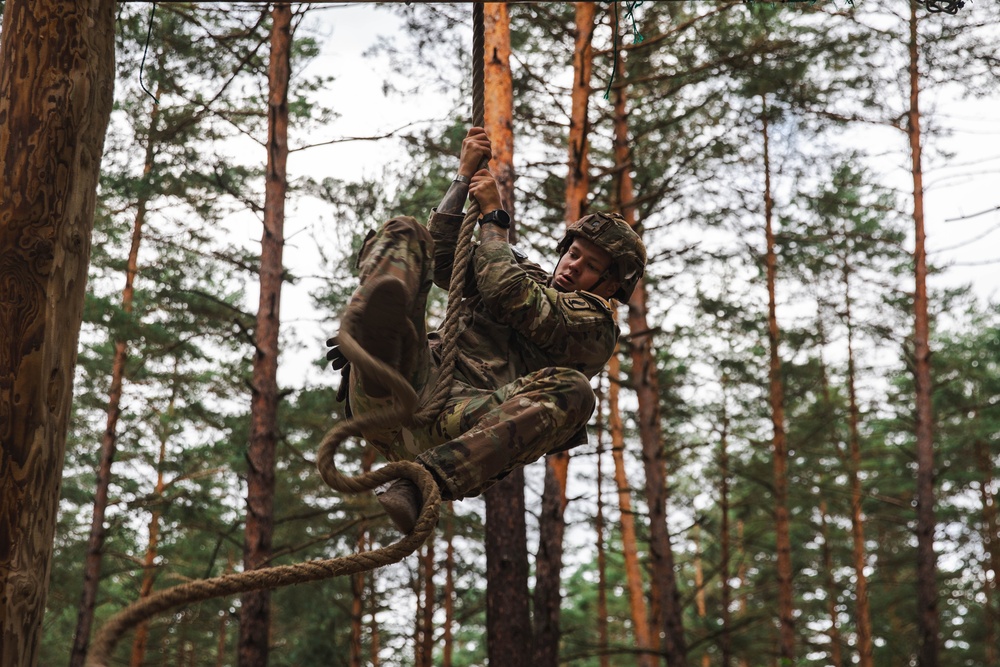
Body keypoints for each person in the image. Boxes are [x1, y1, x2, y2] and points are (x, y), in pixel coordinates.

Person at [328, 127, 646, 532]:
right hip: (403, 391)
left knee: (574, 392)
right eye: (573, 253)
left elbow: (507, 292)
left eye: (590, 266)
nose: (571, 266)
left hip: (459, 424)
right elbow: (444, 258)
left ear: (611, 285)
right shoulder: (522, 272)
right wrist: (462, 178)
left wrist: (494, 219)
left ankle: (420, 484)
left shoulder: (594, 327)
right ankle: (375, 336)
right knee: (407, 233)